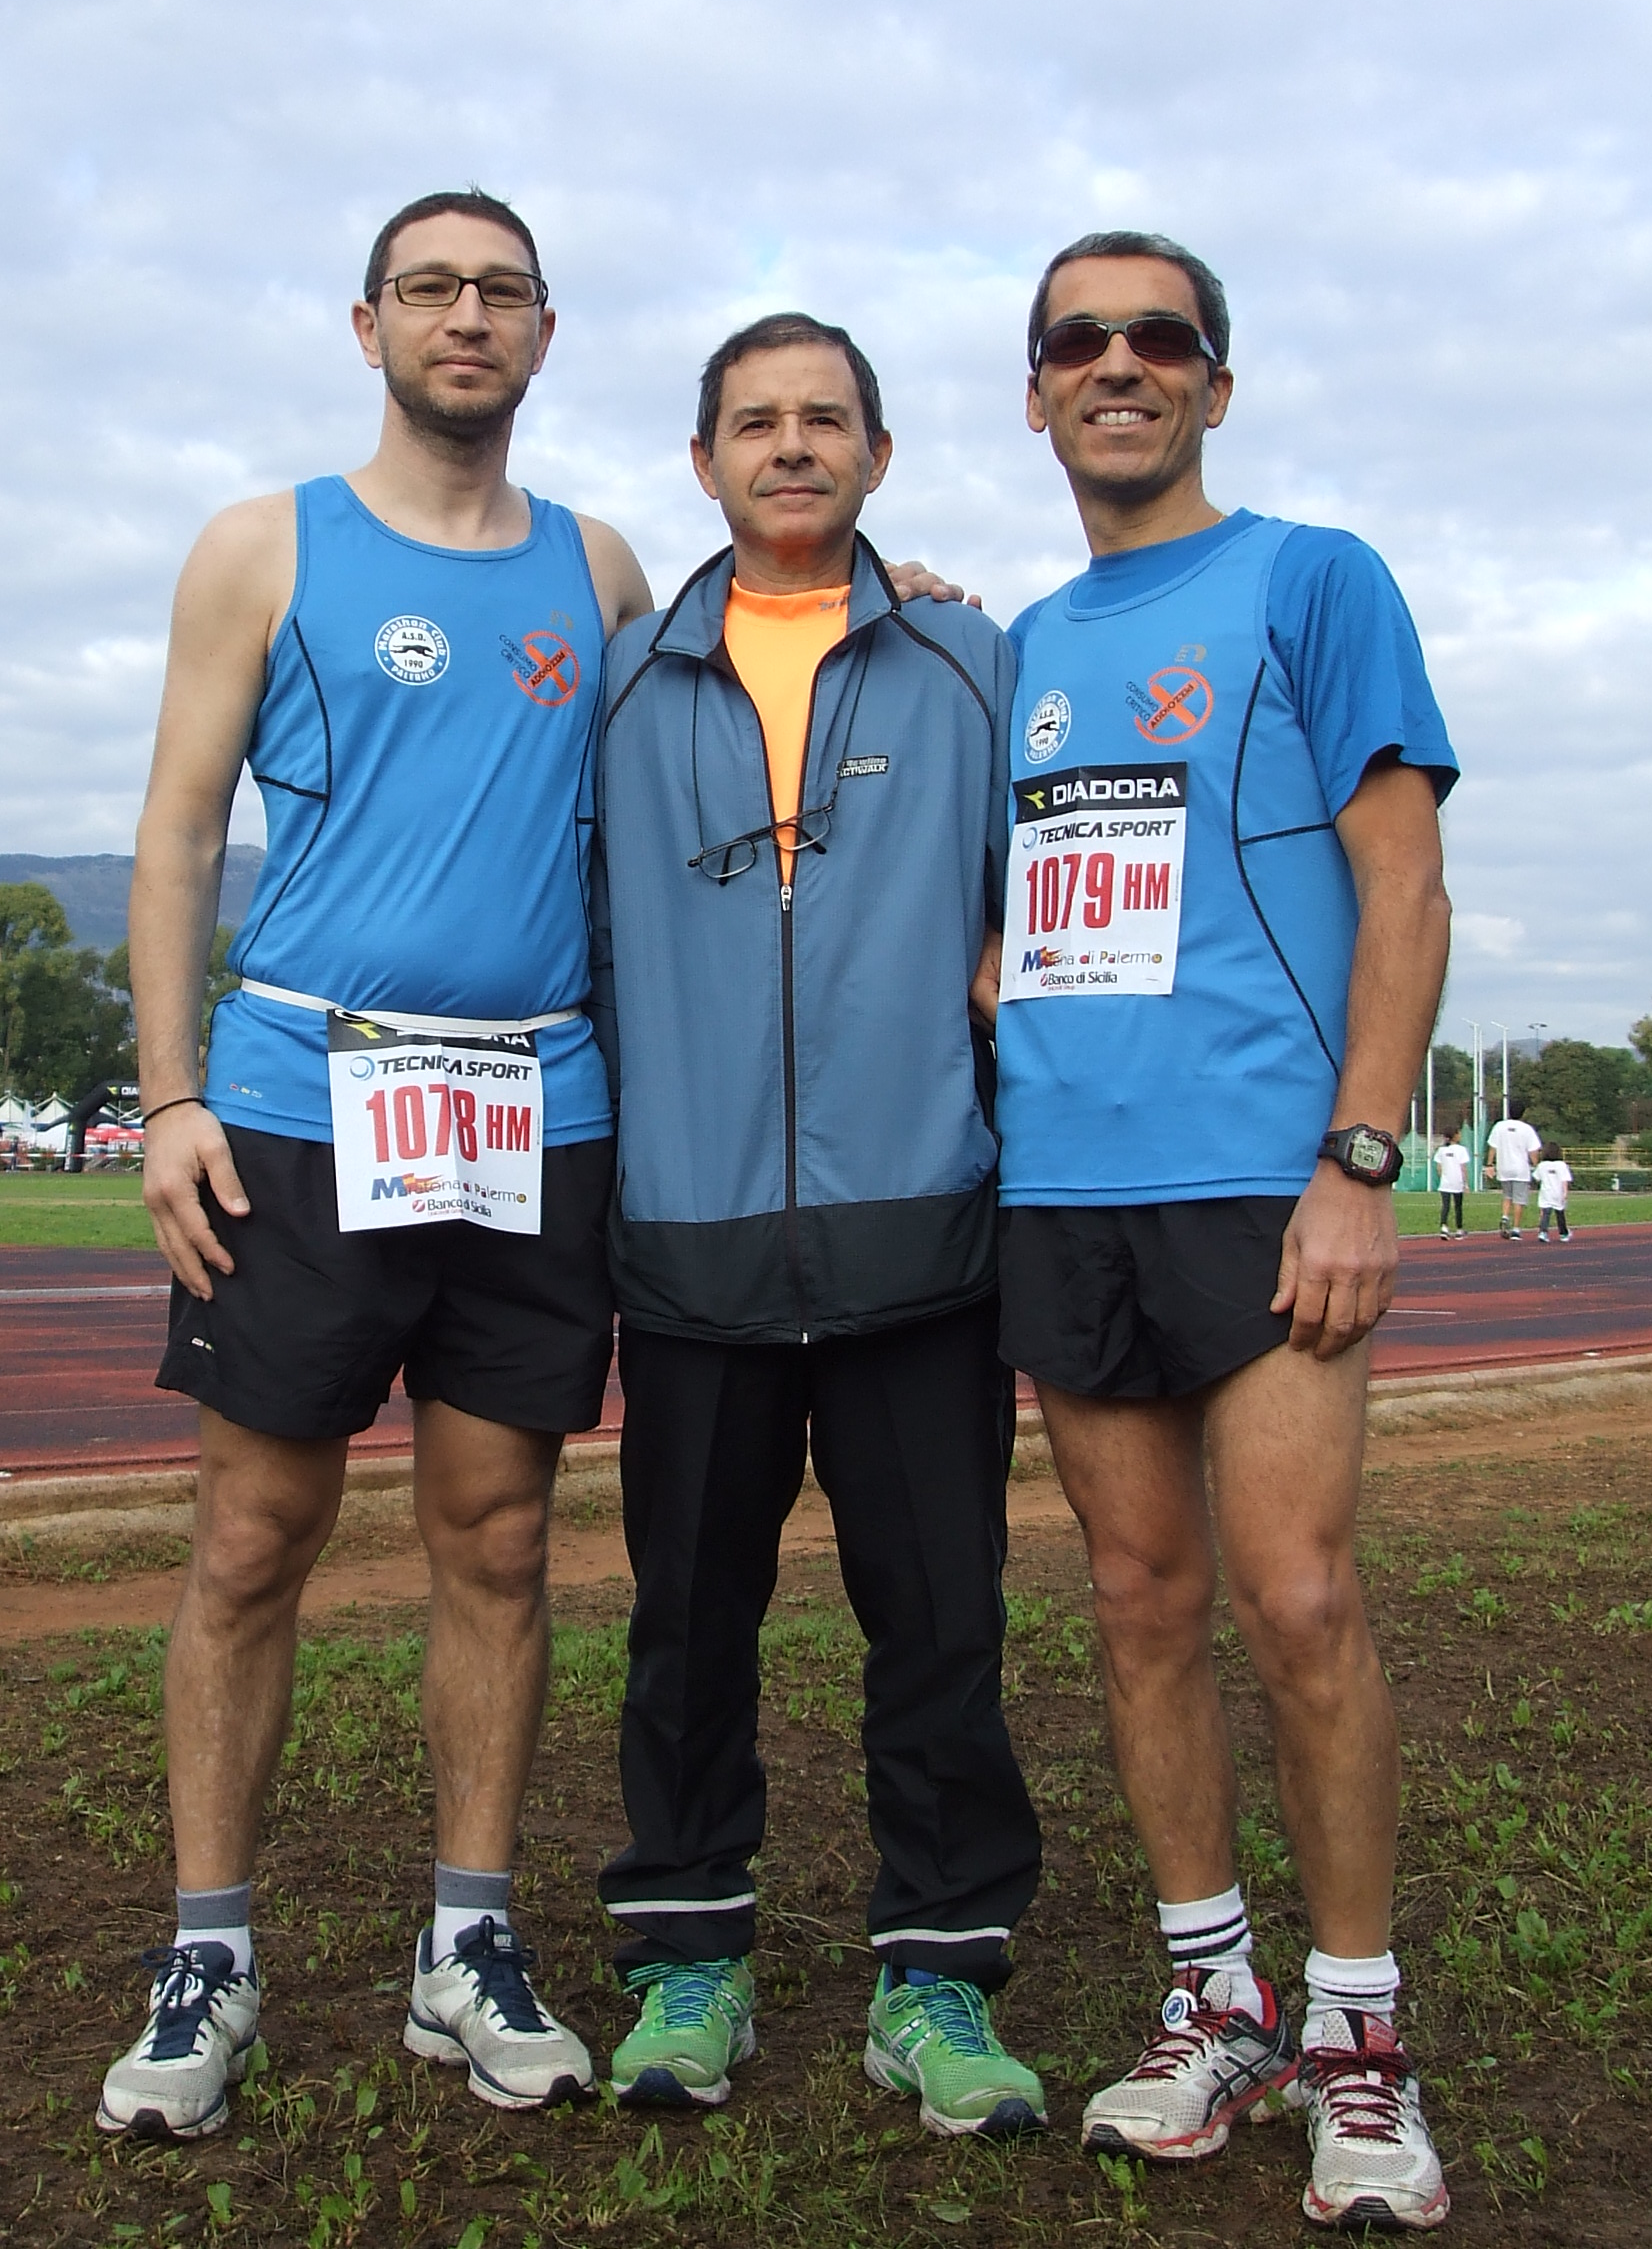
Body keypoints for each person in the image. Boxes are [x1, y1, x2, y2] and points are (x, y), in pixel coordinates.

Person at [99, 190, 659, 2140]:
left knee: (497, 1537)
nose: (465, 318)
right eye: (429, 289)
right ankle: (209, 1955)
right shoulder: (264, 546)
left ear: (544, 331)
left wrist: (881, 596)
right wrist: (169, 1097)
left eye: (501, 292)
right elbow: (178, 833)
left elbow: (704, 744)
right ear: (368, 326)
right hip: (298, 1104)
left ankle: (466, 1942)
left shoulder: (600, 566)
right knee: (254, 1536)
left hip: (534, 1112)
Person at [989, 232, 1457, 2228]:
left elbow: (1403, 881)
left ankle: (1357, 2039)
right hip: (1060, 1185)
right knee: (1136, 1603)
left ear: (1213, 382)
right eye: (1078, 340)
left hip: (1265, 1186)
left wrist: (1359, 1158)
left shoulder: (1311, 579)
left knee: (1301, 1603)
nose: (1119, 363)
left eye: (1158, 336)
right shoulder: (1013, 646)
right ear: (1034, 393)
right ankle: (1217, 2004)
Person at [589, 312, 1047, 2142]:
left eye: (824, 418)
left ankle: (936, 1975)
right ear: (702, 459)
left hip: (921, 1242)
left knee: (938, 1626)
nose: (790, 445)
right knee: (685, 1628)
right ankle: (686, 1956)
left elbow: (1046, 897)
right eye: (755, 421)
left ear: (878, 452)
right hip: (691, 1241)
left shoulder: (973, 660)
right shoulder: (618, 685)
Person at [1484, 1109, 1542, 1235]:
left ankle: (1505, 1216)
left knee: (1507, 1195)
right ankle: (1516, 1228)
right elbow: (1533, 1151)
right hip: (1521, 1169)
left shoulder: (1499, 1126)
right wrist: (1536, 1165)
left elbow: (1493, 1147)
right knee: (1519, 1200)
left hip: (1504, 1167)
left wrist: (1489, 1164)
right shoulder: (1527, 1129)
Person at [1433, 1134, 1471, 1236]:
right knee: (1458, 1206)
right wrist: (1466, 1184)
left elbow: (1439, 1167)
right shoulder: (1461, 1149)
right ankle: (1459, 1229)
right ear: (1454, 1136)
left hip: (1445, 1183)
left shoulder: (1441, 1150)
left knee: (1445, 1205)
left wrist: (1443, 1177)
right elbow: (1463, 1168)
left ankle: (1444, 1227)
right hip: (1457, 1182)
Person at [1535, 1145, 1574, 1240]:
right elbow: (1564, 1180)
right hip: (1558, 1193)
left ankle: (1543, 1232)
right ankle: (1563, 1233)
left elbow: (1537, 1178)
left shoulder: (1542, 1165)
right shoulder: (1562, 1165)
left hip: (1546, 1192)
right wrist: (1565, 1193)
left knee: (1545, 1213)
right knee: (1560, 1213)